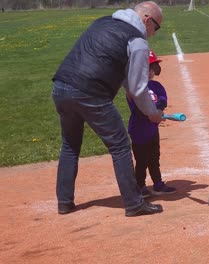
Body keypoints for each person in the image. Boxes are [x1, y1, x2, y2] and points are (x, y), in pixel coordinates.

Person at [52, 1, 165, 217]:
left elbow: (108, 62)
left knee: (70, 145)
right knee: (121, 146)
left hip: (61, 87)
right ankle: (134, 203)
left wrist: (129, 89)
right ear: (147, 20)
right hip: (90, 93)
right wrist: (153, 114)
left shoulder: (103, 22)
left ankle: (64, 202)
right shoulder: (137, 40)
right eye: (156, 27)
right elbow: (139, 88)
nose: (153, 33)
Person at [127, 51, 176, 198]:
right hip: (138, 130)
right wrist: (151, 115)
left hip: (152, 130)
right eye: (147, 68)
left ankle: (158, 184)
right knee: (141, 160)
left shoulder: (156, 85)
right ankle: (140, 186)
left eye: (152, 68)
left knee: (155, 157)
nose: (150, 72)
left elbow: (162, 100)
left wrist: (159, 111)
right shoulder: (133, 88)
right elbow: (136, 107)